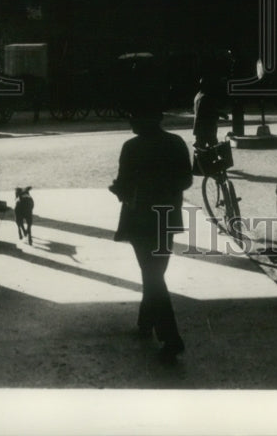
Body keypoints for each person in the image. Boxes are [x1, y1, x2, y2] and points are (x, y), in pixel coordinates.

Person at [110, 108, 193, 363]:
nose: (130, 121)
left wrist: (119, 189)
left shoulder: (131, 147)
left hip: (140, 219)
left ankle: (171, 338)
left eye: (133, 117)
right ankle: (146, 321)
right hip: (166, 215)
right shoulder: (175, 142)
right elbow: (187, 180)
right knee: (155, 271)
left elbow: (123, 185)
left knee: (152, 274)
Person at [192, 75, 228, 149]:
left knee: (201, 147)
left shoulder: (197, 96)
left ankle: (199, 159)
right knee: (213, 145)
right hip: (207, 127)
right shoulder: (205, 97)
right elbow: (210, 111)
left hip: (199, 127)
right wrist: (223, 115)